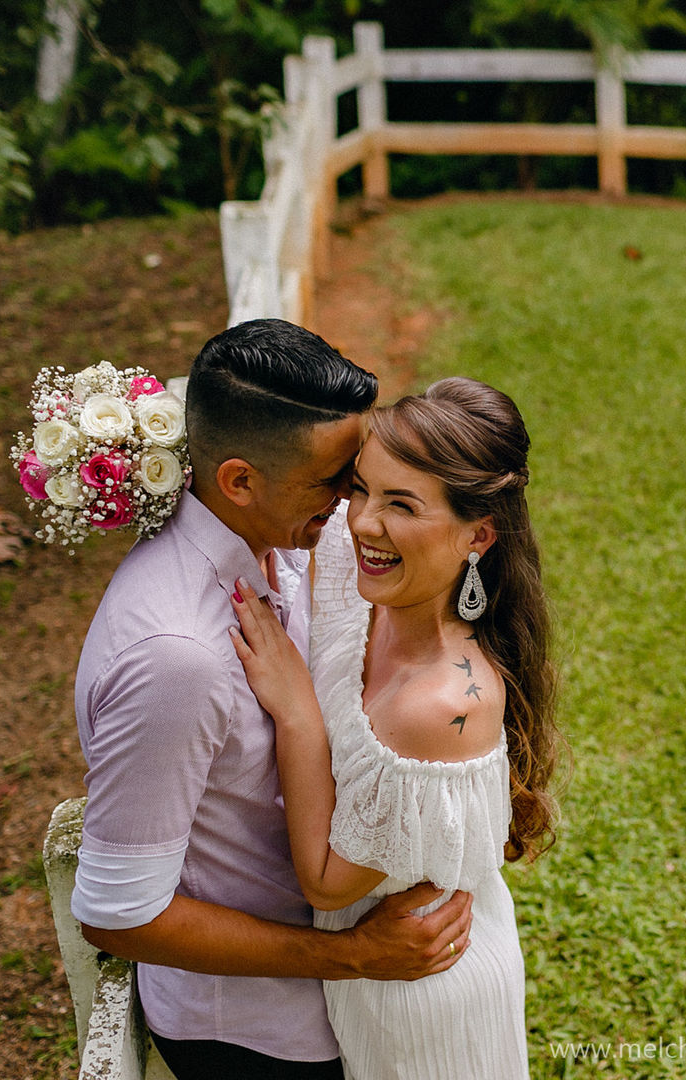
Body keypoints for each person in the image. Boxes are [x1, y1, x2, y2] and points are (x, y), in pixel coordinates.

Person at [71, 320, 473, 1080]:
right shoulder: (178, 660)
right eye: (334, 483)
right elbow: (118, 913)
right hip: (258, 1035)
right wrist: (351, 956)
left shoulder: (276, 538)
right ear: (238, 481)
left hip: (338, 993)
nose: (354, 509)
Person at [229, 377, 562, 1080]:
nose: (363, 524)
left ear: (478, 534)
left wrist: (296, 711)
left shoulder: (442, 703)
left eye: (402, 505)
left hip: (421, 999)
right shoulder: (368, 573)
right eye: (362, 490)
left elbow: (326, 882)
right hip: (366, 980)